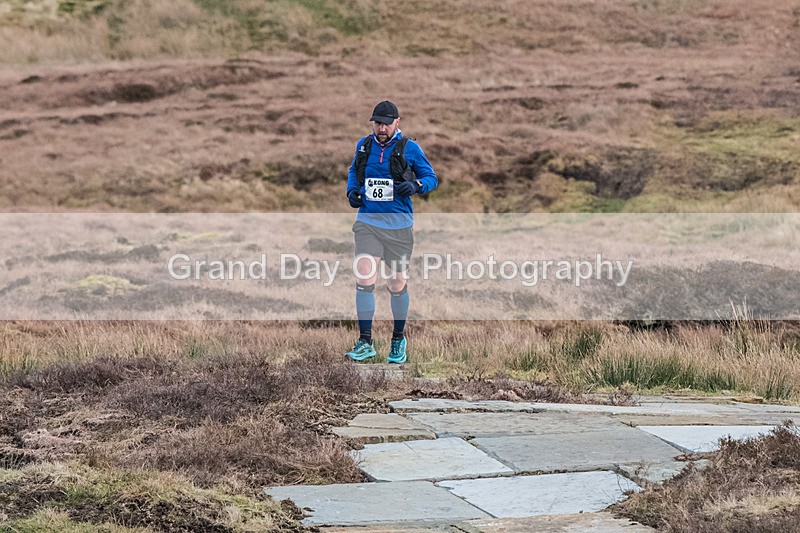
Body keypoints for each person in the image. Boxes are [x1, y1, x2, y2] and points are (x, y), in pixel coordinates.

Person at [345, 100, 438, 364]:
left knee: (396, 282)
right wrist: (352, 191)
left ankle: (398, 339)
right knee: (364, 273)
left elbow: (432, 177)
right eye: (377, 122)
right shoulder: (363, 146)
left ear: (398, 122)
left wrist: (417, 185)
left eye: (386, 123)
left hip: (399, 226)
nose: (381, 128)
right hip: (368, 223)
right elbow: (354, 172)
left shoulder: (410, 148)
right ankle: (365, 342)